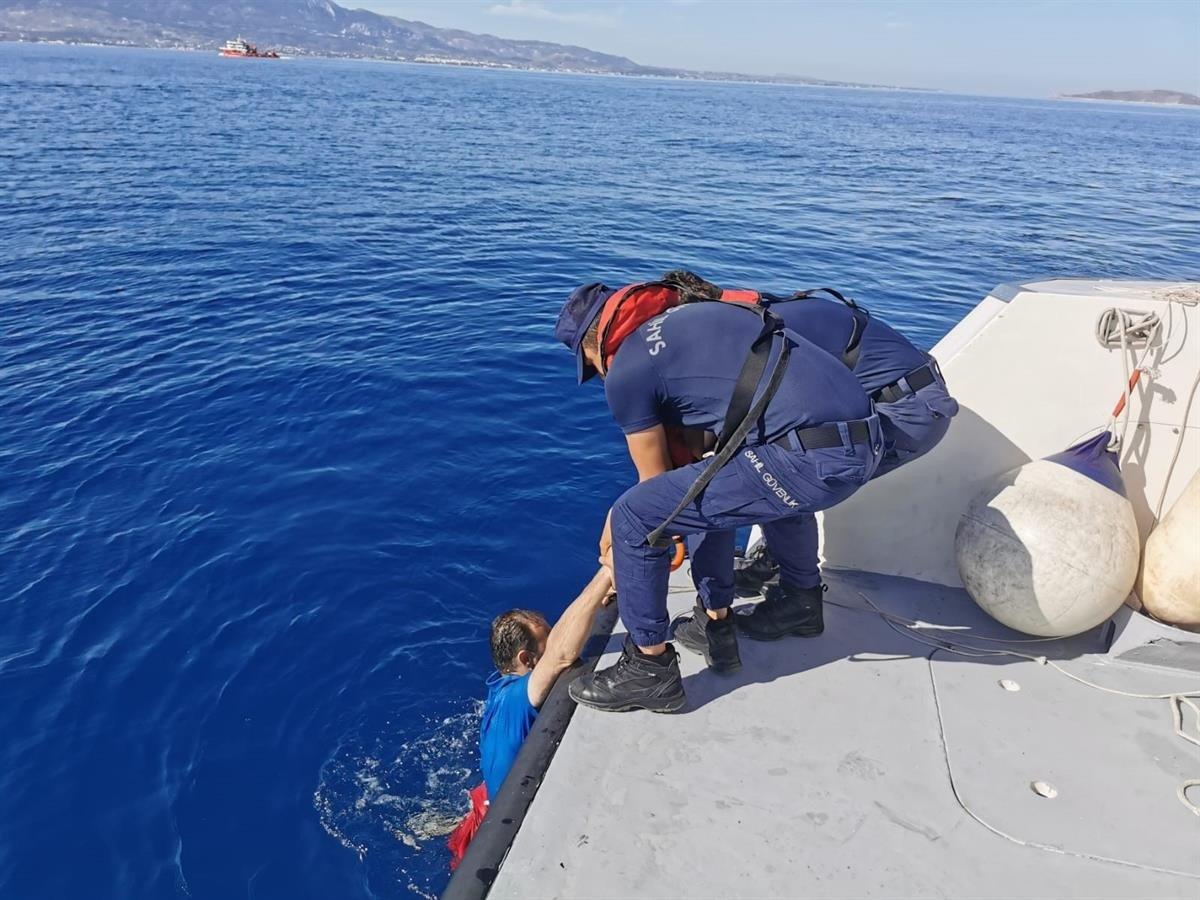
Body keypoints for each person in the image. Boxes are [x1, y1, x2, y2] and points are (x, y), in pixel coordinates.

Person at [554, 282, 883, 713]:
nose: (600, 377)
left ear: (595, 345)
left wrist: (619, 530)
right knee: (716, 480)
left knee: (634, 518)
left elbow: (654, 494)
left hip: (811, 461)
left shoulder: (626, 372)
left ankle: (648, 670)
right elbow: (700, 462)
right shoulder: (694, 319)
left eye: (592, 366)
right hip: (867, 440)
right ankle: (776, 611)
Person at [719, 278, 959, 619]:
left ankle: (800, 601)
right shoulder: (764, 317)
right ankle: (775, 563)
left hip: (907, 413)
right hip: (902, 396)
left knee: (785, 478)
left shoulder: (770, 334)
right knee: (781, 465)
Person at [447, 567, 613, 868]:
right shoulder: (520, 698)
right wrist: (607, 573)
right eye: (544, 644)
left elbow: (561, 642)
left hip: (486, 795)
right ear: (525, 659)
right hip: (499, 819)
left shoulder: (499, 687)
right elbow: (561, 655)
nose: (552, 645)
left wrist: (601, 600)